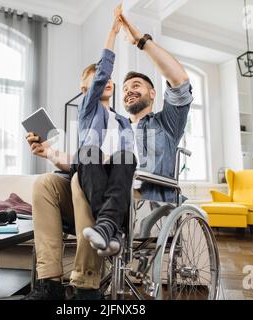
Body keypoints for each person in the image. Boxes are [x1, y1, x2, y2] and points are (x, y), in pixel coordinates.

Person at [24, 10, 193, 300]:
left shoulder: (166, 123)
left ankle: (85, 285)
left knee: (84, 177)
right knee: (47, 184)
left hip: (141, 206)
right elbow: (85, 162)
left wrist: (140, 40)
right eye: (125, 88)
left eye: (136, 86)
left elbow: (179, 80)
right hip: (97, 194)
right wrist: (51, 152)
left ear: (153, 94)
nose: (128, 91)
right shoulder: (111, 122)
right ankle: (48, 283)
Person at [73, 11, 136, 258]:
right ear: (85, 88)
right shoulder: (88, 108)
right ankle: (112, 228)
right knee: (89, 151)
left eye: (110, 78)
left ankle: (107, 229)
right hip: (91, 166)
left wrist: (116, 157)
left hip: (116, 170)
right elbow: (101, 74)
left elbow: (128, 153)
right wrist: (113, 33)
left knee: (127, 157)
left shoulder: (123, 121)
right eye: (100, 77)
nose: (107, 80)